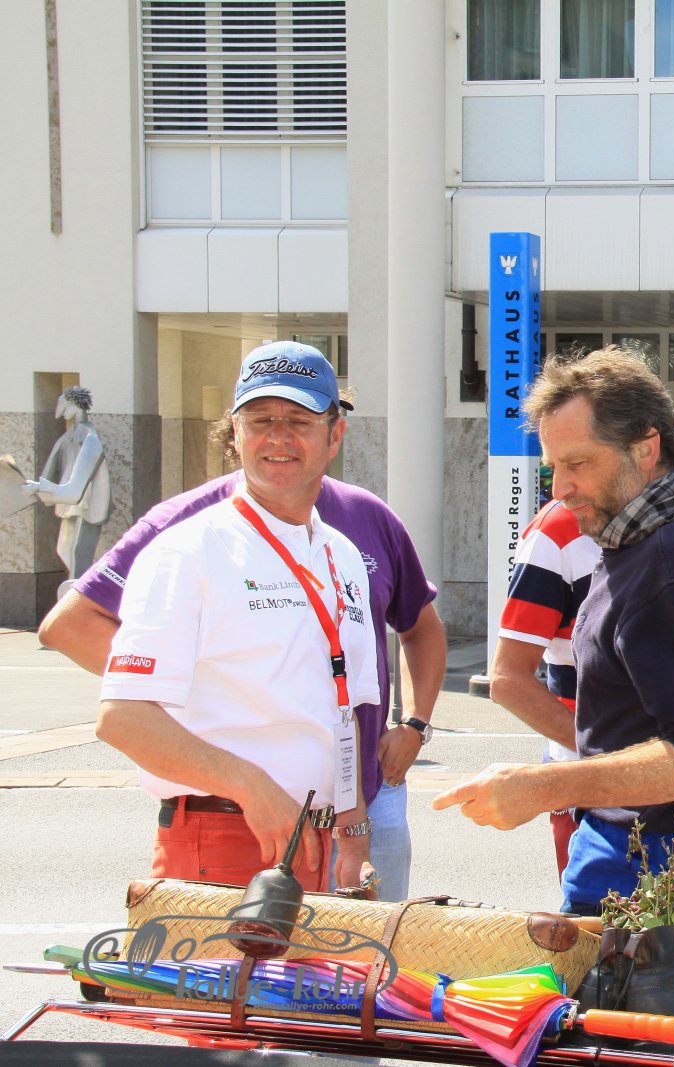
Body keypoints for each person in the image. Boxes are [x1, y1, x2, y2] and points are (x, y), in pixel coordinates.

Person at [435, 346, 674, 1022]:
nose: (561, 488)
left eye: (579, 464)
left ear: (646, 447)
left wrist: (543, 786)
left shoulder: (672, 557)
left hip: (673, 883)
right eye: (553, 467)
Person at [41, 343, 445, 902]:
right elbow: (122, 718)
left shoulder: (342, 552)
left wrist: (353, 835)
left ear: (334, 435)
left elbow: (346, 709)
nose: (278, 437)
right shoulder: (187, 547)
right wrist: (248, 783)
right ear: (235, 433)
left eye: (298, 421)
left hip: (322, 840)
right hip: (227, 832)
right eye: (260, 421)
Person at [489, 496, 601, 879]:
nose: (561, 485)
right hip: (589, 783)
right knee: (602, 917)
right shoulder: (557, 529)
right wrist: (609, 758)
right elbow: (508, 679)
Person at [23, 386, 112, 592]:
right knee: (64, 549)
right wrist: (36, 488)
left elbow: (74, 491)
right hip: (69, 504)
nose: (60, 411)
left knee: (78, 553)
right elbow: (49, 473)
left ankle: (79, 597)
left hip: (87, 504)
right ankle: (75, 595)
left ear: (74, 405)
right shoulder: (66, 438)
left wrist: (41, 487)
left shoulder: (90, 439)